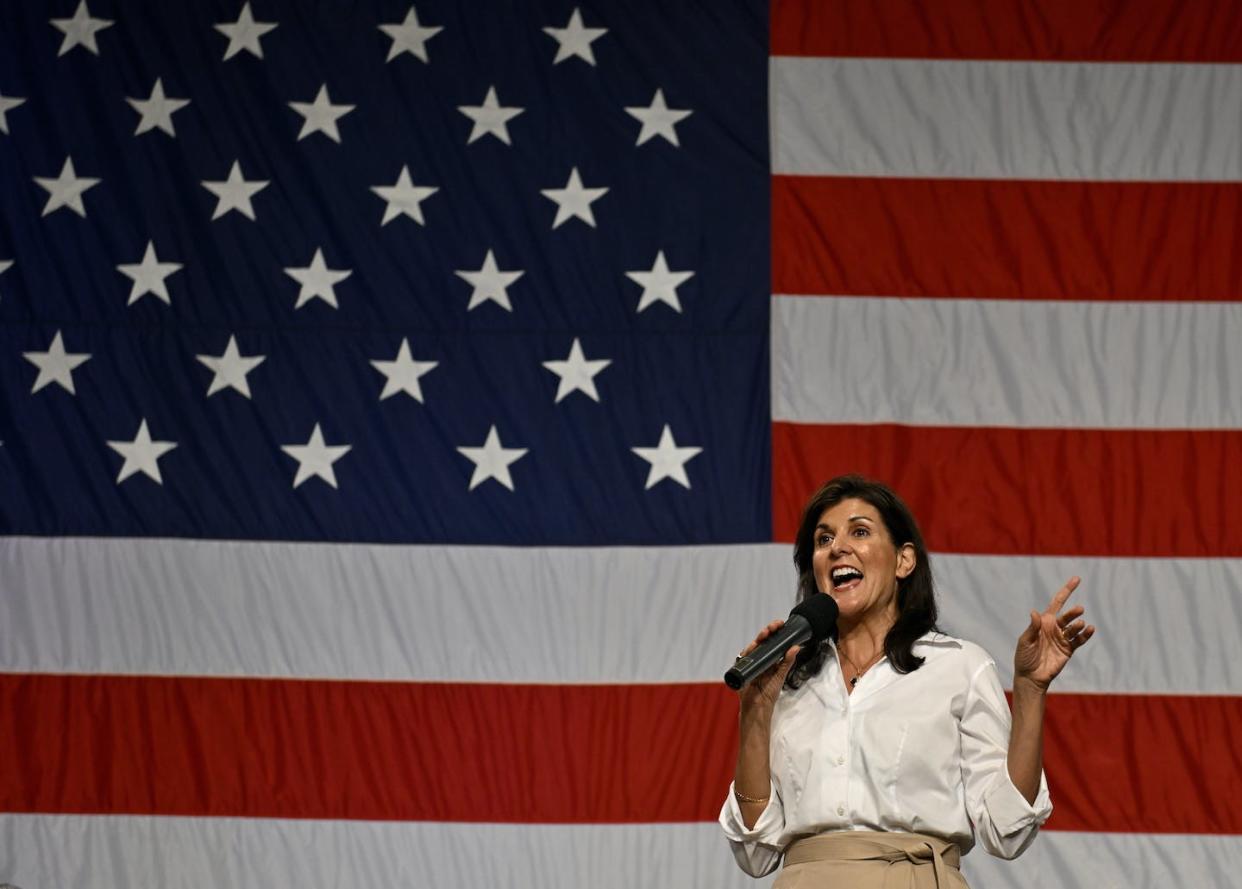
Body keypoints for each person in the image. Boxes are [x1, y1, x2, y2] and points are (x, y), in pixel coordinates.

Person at [719, 475, 1095, 888]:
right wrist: (755, 710)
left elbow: (1007, 830)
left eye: (859, 531)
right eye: (823, 540)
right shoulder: (786, 680)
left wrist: (1030, 690)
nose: (837, 547)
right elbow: (755, 853)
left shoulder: (958, 667)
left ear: (904, 560)